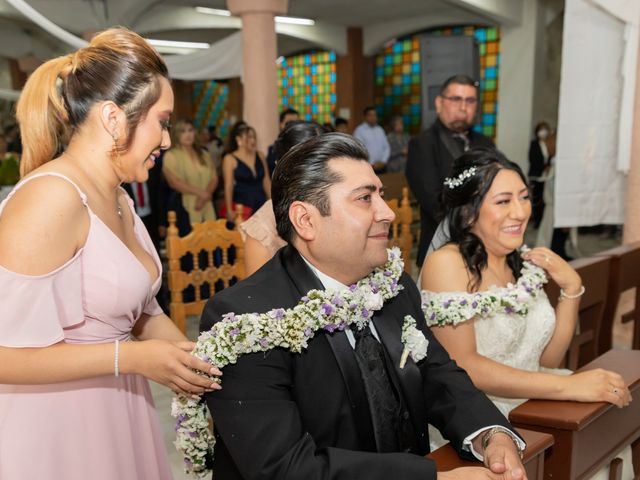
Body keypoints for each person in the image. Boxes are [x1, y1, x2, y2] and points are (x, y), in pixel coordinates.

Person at [201, 133, 527, 480]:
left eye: (380, 195)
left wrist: (491, 433)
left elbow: (436, 373)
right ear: (306, 220)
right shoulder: (245, 320)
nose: (387, 213)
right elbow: (285, 468)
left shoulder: (392, 284)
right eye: (364, 199)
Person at [0, 28, 222, 479]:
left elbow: (139, 311)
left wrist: (200, 359)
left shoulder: (119, 196)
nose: (165, 140)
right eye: (161, 121)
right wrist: (133, 358)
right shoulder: (51, 198)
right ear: (113, 118)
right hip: (58, 427)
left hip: (120, 405)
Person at [419, 148, 633, 476]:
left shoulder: (521, 259)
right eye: (504, 201)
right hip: (481, 420)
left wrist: (571, 289)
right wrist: (569, 387)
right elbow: (464, 366)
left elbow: (546, 360)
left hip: (535, 398)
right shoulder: (447, 264)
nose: (520, 212)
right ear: (468, 212)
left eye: (524, 197)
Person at [406, 74, 494, 267]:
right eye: (456, 99)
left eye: (470, 100)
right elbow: (433, 202)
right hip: (441, 249)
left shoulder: (486, 144)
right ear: (439, 103)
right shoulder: (422, 144)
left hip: (487, 249)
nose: (463, 107)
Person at [238, 120, 327, 275]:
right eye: (305, 167)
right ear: (279, 165)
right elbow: (258, 295)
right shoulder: (263, 231)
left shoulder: (342, 208)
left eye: (323, 167)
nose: (316, 177)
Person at [163, 118, 218, 224]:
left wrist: (204, 197)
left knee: (212, 238)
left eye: (190, 130)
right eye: (183, 131)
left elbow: (214, 178)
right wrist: (201, 194)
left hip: (207, 203)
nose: (188, 134)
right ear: (176, 135)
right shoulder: (171, 155)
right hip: (183, 207)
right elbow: (174, 183)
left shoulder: (204, 154)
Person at [221, 121, 270, 221]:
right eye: (249, 137)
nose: (252, 140)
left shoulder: (260, 155)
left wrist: (272, 202)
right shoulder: (230, 158)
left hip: (261, 202)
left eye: (254, 137)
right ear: (239, 140)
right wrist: (229, 209)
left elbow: (266, 181)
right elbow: (228, 186)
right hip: (242, 206)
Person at [528, 122, 551, 229]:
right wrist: (543, 167)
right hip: (536, 175)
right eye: (541, 129)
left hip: (547, 176)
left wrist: (549, 166)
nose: (543, 132)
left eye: (545, 129)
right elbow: (533, 159)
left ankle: (543, 220)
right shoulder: (534, 144)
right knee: (538, 199)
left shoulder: (549, 143)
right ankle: (537, 221)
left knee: (546, 199)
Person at [353, 106, 390, 173]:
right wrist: (371, 163)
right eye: (370, 115)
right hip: (368, 167)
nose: (373, 117)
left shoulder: (380, 130)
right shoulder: (359, 130)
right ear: (365, 117)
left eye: (375, 115)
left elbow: (386, 147)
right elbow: (359, 150)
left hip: (382, 166)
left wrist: (383, 161)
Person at [266, 108, 299, 176]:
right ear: (281, 124)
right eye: (288, 123)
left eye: (295, 123)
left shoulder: (302, 147)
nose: (292, 126)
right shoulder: (273, 150)